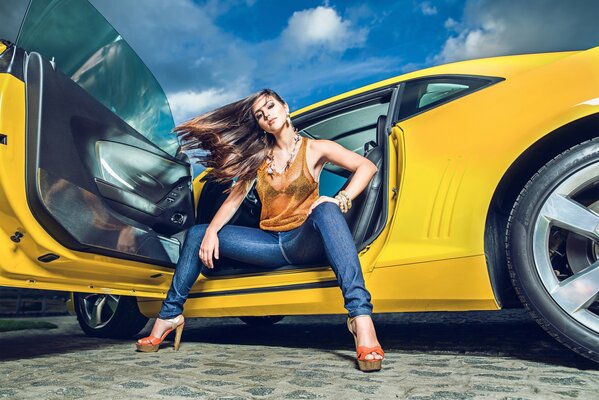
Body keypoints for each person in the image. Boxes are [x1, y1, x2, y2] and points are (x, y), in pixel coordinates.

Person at [135, 89, 384, 371]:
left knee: (326, 209)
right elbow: (234, 200)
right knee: (197, 233)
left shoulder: (316, 149)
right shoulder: (259, 158)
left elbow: (365, 167)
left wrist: (340, 198)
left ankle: (360, 318)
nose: (267, 115)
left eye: (270, 106)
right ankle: (169, 316)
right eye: (260, 114)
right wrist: (211, 233)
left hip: (304, 240)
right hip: (268, 244)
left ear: (285, 107)